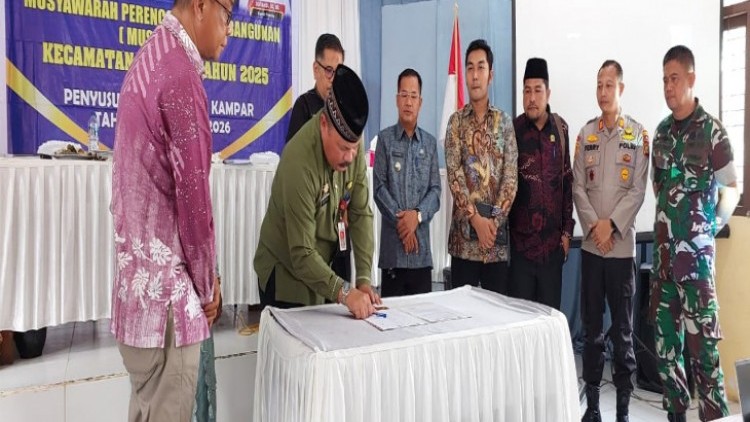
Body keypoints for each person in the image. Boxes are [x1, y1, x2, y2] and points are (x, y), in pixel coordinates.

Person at [110, 0, 229, 420]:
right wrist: (208, 286)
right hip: (167, 312)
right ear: (201, 6)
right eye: (227, 15)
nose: (229, 31)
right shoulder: (180, 75)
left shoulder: (150, 55)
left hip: (137, 304)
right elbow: (194, 202)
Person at [650, 45, 739, 422]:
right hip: (664, 267)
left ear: (691, 79)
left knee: (705, 359)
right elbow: (659, 188)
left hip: (697, 270)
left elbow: (731, 189)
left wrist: (708, 227)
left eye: (674, 78)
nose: (668, 87)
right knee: (666, 355)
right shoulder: (661, 133)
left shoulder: (712, 132)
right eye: (664, 80)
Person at [254, 64, 381, 319]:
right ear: (324, 124)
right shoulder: (298, 162)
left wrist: (364, 279)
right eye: (343, 148)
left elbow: (360, 213)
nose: (350, 156)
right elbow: (301, 253)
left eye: (355, 148)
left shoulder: (351, 144)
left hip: (322, 267)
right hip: (286, 275)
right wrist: (345, 292)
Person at [573, 60, 648, 422]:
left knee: (622, 334)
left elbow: (637, 190)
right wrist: (595, 227)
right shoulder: (585, 134)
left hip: (620, 252)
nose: (603, 92)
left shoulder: (637, 135)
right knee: (591, 332)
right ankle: (592, 408)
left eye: (609, 85)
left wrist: (612, 227)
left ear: (621, 89)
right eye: (599, 85)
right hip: (591, 249)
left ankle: (622, 411)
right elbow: (577, 187)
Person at [444, 39, 517, 294]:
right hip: (464, 243)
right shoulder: (455, 123)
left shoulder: (504, 123)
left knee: (496, 313)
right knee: (461, 315)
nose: (475, 75)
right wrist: (475, 219)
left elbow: (510, 179)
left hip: (495, 244)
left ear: (490, 75)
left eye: (481, 67)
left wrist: (492, 224)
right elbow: (454, 175)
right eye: (470, 68)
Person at [508, 57, 574, 310]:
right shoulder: (513, 130)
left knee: (548, 320)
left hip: (551, 251)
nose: (532, 98)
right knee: (521, 321)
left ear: (548, 93)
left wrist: (567, 232)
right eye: (527, 91)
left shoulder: (560, 128)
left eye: (537, 90)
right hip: (521, 251)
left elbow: (567, 180)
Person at [373, 68, 441, 297]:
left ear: (420, 102)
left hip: (421, 255)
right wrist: (404, 223)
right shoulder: (384, 140)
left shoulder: (430, 144)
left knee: (421, 318)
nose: (408, 102)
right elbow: (379, 188)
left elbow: (435, 191)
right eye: (404, 95)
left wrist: (417, 217)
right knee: (391, 317)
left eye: (413, 96)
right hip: (393, 254)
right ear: (396, 99)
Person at [286, 33, 345, 143]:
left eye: (338, 72)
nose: (333, 79)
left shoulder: (345, 109)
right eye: (329, 70)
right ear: (316, 69)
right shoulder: (304, 106)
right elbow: (292, 152)